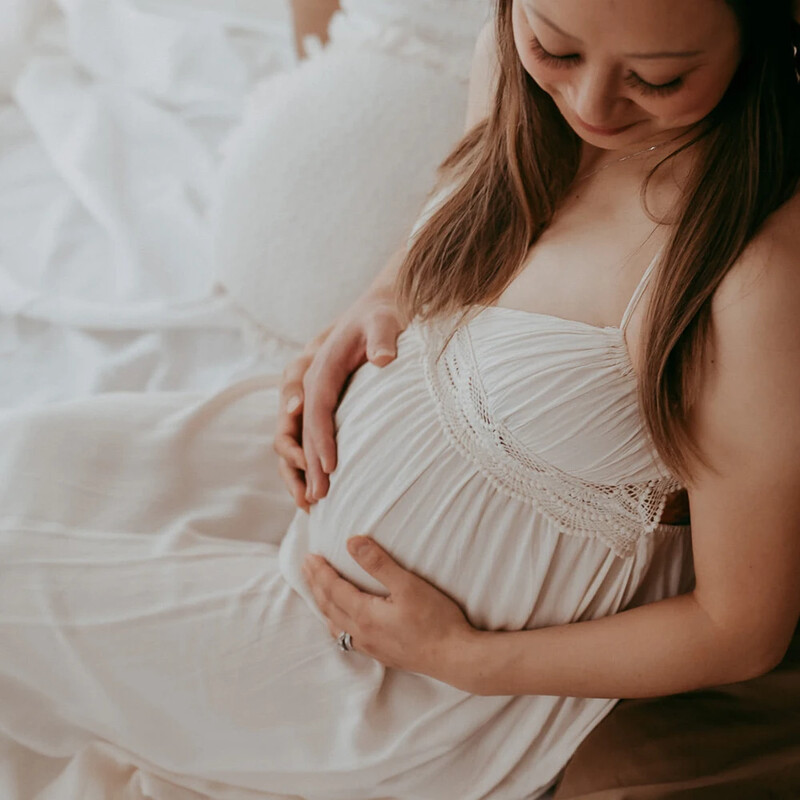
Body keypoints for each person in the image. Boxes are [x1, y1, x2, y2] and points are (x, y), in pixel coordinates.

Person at [0, 3, 799, 800]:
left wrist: (465, 661)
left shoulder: (752, 276)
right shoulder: (515, 75)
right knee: (27, 456)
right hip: (304, 497)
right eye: (556, 48)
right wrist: (380, 301)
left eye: (657, 78)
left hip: (400, 686)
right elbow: (475, 200)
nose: (591, 105)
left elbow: (740, 626)